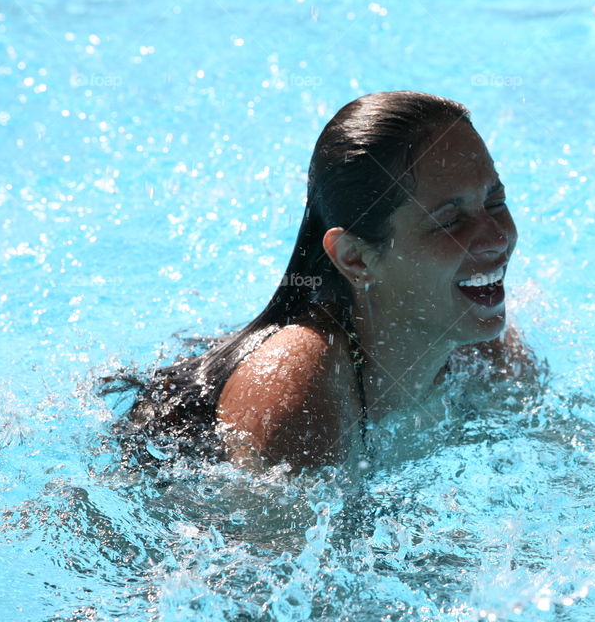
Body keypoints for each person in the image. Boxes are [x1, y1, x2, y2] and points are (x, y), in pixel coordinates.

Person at [102, 91, 543, 471]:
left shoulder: (479, 346)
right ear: (355, 258)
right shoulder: (298, 397)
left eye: (495, 201)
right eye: (448, 221)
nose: (497, 237)